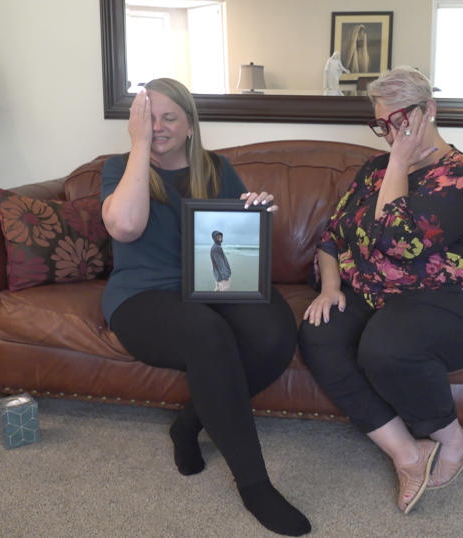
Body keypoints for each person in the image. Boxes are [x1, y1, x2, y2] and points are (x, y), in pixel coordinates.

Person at [100, 77, 310, 536]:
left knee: (275, 331)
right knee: (208, 335)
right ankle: (255, 485)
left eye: (169, 117)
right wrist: (139, 148)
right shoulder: (119, 169)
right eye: (148, 118)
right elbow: (126, 227)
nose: (158, 127)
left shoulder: (216, 168)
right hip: (142, 296)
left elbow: (235, 239)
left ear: (191, 125)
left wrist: (255, 210)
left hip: (212, 285)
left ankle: (189, 423)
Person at [298, 66, 463, 514]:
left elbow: (399, 241)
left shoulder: (459, 178)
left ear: (428, 111)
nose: (391, 134)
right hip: (379, 295)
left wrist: (398, 160)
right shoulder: (372, 169)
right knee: (319, 332)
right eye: (382, 124)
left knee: (386, 348)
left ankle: (456, 442)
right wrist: (330, 287)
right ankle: (406, 453)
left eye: (400, 121)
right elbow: (333, 236)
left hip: (459, 299)